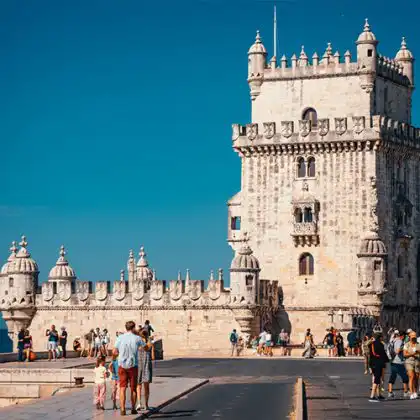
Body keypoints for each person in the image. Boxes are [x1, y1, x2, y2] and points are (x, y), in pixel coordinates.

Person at [113, 320, 146, 416]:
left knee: (122, 388)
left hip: (121, 366)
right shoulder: (137, 338)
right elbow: (145, 347)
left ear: (126, 328)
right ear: (133, 328)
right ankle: (133, 408)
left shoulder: (120, 337)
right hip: (133, 366)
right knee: (133, 388)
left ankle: (122, 409)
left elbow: (114, 352)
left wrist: (115, 359)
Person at [387, 330, 409, 399]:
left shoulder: (393, 340)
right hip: (398, 361)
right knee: (405, 377)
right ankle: (405, 392)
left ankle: (390, 392)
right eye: (405, 336)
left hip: (393, 361)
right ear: (402, 336)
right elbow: (397, 351)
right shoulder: (399, 341)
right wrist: (403, 348)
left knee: (392, 376)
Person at [136, 329, 154, 411]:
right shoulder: (148, 343)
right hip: (146, 364)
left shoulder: (138, 343)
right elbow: (149, 350)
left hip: (139, 364)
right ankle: (146, 404)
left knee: (138, 385)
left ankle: (139, 403)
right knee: (146, 386)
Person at [368, 332, 389, 402]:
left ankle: (379, 395)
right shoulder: (380, 344)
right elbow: (383, 354)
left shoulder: (371, 344)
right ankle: (372, 396)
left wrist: (369, 365)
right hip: (379, 363)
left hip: (373, 363)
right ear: (380, 337)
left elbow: (370, 355)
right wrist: (387, 360)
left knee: (378, 379)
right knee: (377, 380)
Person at [403, 331, 420, 399]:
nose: (413, 339)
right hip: (409, 361)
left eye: (414, 337)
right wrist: (412, 354)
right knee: (411, 376)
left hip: (417, 361)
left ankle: (415, 391)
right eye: (412, 337)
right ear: (409, 337)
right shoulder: (406, 345)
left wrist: (417, 352)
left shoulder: (418, 344)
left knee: (416, 377)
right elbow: (404, 354)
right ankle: (411, 392)